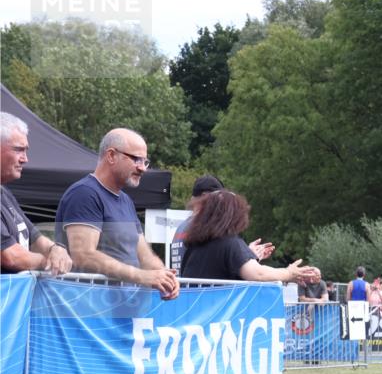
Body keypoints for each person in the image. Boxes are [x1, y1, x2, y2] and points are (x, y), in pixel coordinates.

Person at [55, 128, 179, 299]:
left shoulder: (126, 200)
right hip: (87, 312)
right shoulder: (84, 193)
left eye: (145, 161)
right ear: (111, 155)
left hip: (119, 313)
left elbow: (145, 256)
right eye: (136, 159)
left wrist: (166, 277)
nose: (143, 168)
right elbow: (83, 255)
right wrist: (143, 276)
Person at [179, 190, 318, 283]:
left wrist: (247, 255)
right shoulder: (230, 244)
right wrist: (289, 273)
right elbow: (258, 274)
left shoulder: (194, 245)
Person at [0, 112, 73, 275]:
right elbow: (11, 257)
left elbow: (35, 238)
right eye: (18, 150)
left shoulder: (4, 193)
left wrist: (55, 249)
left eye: (26, 151)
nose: (25, 159)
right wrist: (49, 261)